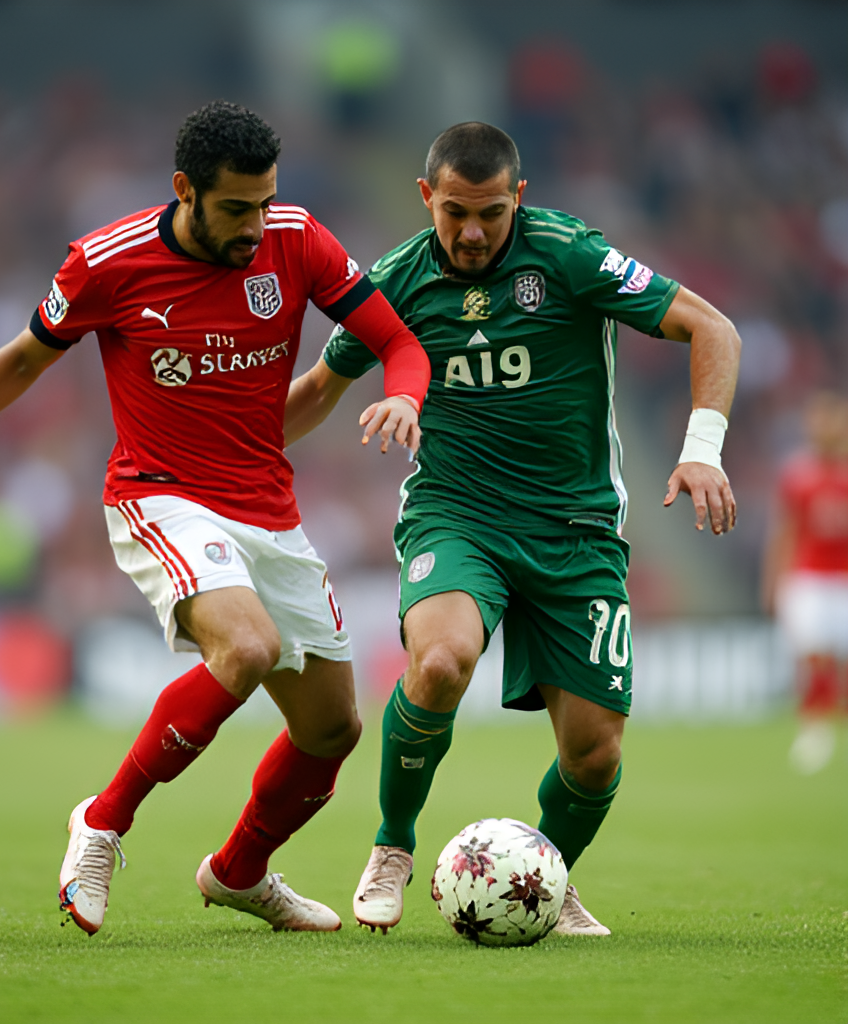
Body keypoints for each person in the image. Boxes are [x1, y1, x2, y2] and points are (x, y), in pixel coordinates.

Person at [0, 101, 431, 936]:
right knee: (247, 647)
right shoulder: (108, 262)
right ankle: (102, 821)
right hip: (161, 494)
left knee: (332, 727)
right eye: (236, 208)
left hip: (267, 504)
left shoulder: (297, 238)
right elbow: (21, 361)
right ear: (186, 190)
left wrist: (405, 397)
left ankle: (238, 873)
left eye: (265, 202)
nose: (255, 226)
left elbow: (399, 342)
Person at [285, 122, 740, 936]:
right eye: (454, 212)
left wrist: (702, 450)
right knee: (440, 662)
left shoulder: (569, 255)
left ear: (518, 198)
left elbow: (714, 329)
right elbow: (321, 386)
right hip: (457, 515)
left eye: (491, 213)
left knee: (595, 755)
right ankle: (392, 844)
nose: (471, 232)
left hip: (576, 529)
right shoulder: (396, 279)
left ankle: (544, 874)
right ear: (426, 197)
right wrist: (220, 454)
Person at [762, 391, 848, 774]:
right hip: (809, 579)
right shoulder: (797, 475)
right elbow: (785, 532)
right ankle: (815, 728)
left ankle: (830, 727)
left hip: (843, 579)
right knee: (812, 657)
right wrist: (772, 582)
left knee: (839, 663)